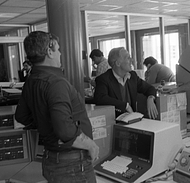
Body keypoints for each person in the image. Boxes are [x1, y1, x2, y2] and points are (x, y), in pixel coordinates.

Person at [15, 31, 99, 183]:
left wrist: (47, 125)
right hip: (72, 165)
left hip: (51, 160)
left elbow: (21, 116)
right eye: (58, 49)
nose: (60, 53)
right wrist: (91, 145)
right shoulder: (56, 82)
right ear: (49, 51)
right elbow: (65, 131)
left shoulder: (31, 80)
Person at [94, 47, 158, 119]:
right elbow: (100, 98)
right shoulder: (103, 79)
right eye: (128, 58)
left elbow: (149, 88)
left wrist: (150, 98)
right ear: (118, 63)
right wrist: (125, 106)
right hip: (114, 122)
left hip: (132, 120)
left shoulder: (132, 76)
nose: (132, 60)